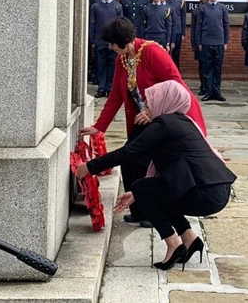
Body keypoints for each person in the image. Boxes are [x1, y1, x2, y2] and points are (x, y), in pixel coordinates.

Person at [76, 81, 235, 270]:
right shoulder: (183, 121)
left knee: (141, 187)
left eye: (151, 102)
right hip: (219, 191)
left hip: (204, 194)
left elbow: (128, 153)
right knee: (149, 190)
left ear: (165, 101)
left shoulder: (164, 124)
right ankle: (190, 239)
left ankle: (173, 244)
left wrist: (89, 167)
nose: (147, 107)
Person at [80, 17, 207, 227]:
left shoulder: (152, 52)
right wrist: (99, 126)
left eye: (112, 44)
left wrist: (150, 110)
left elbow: (174, 85)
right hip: (142, 119)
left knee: (146, 162)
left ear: (123, 41)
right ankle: (138, 210)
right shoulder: (122, 59)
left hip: (164, 116)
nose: (111, 48)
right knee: (130, 161)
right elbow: (116, 96)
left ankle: (151, 210)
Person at [194, 0, 230, 101]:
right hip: (206, 41)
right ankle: (208, 91)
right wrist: (199, 42)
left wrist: (225, 41)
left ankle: (217, 91)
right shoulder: (202, 8)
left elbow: (226, 25)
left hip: (219, 42)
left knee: (218, 67)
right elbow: (198, 26)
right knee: (207, 68)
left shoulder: (222, 8)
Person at [90, 0, 124, 97]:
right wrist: (93, 40)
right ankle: (101, 88)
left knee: (112, 65)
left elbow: (120, 24)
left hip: (113, 42)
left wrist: (118, 41)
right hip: (100, 41)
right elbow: (92, 24)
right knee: (100, 66)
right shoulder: (96, 6)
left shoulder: (117, 6)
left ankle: (110, 88)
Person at [166, 0, 187, 70]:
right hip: (167, 31)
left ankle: (176, 73)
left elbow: (183, 17)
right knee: (166, 54)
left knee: (176, 54)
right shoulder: (165, 0)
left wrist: (183, 33)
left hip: (177, 31)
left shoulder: (181, 1)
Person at [192, 0, 208, 95]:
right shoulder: (196, 11)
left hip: (209, 41)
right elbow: (194, 29)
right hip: (200, 42)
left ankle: (210, 87)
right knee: (202, 66)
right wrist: (194, 44)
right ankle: (203, 86)